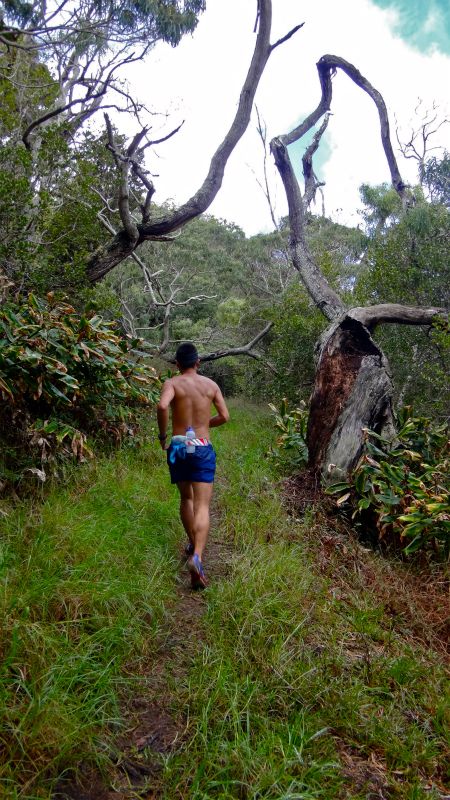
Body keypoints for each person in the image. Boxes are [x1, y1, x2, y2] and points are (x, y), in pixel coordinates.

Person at [157, 343, 230, 589]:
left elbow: (162, 406)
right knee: (202, 506)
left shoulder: (172, 384)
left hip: (178, 446)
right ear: (198, 362)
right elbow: (225, 417)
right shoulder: (211, 386)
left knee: (186, 500)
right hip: (201, 446)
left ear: (176, 363)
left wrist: (162, 437)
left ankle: (191, 544)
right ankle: (197, 557)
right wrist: (204, 425)